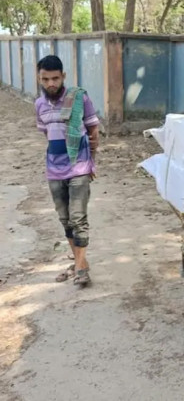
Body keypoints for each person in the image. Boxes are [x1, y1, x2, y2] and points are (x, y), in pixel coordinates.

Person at [35, 55, 100, 287]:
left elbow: (93, 131)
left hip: (79, 166)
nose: (51, 83)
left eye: (55, 78)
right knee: (65, 220)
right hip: (54, 168)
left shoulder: (79, 99)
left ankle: (81, 268)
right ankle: (80, 261)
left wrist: (91, 161)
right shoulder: (39, 105)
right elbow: (46, 134)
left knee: (78, 218)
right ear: (39, 78)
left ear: (63, 76)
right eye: (45, 79)